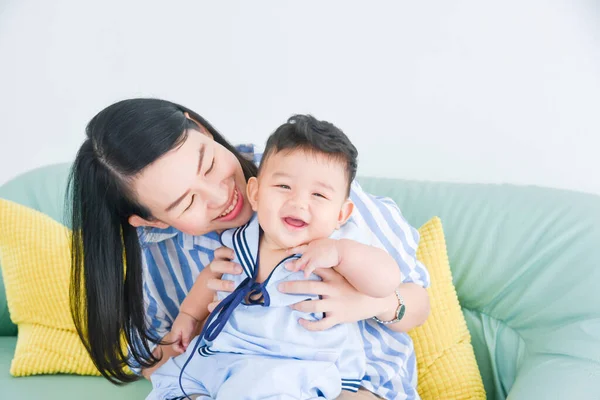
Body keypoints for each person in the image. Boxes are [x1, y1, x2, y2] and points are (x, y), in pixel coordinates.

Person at [68, 99, 431, 400]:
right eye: (186, 202)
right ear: (152, 222)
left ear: (202, 129)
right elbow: (157, 357)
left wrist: (372, 303)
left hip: (353, 378)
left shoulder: (305, 179)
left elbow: (418, 303)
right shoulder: (167, 253)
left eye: (209, 164)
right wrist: (194, 325)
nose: (221, 195)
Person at [150, 115, 402, 399]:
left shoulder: (337, 248)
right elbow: (211, 277)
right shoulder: (243, 240)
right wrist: (187, 315)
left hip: (308, 362)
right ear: (255, 193)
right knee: (181, 385)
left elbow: (386, 280)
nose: (298, 202)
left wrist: (342, 254)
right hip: (233, 353)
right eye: (284, 187)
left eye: (319, 195)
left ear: (341, 214)